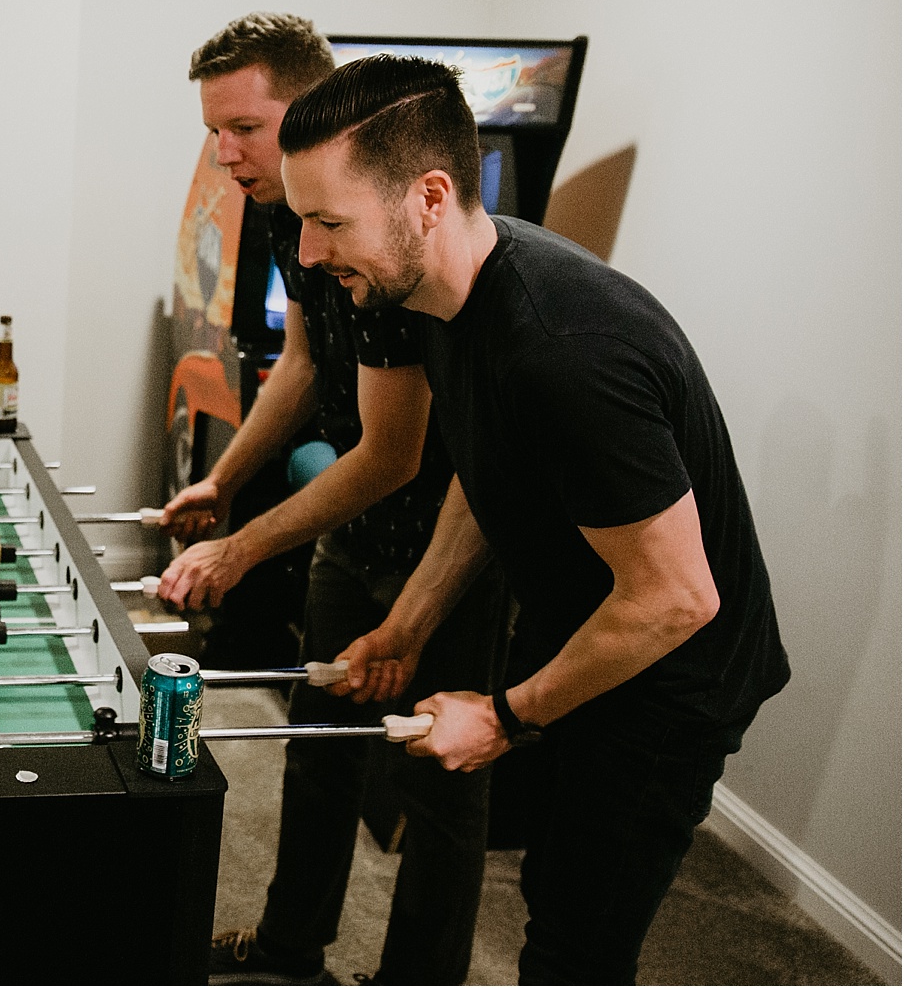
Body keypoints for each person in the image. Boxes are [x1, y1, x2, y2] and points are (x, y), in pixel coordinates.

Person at [276, 54, 790, 984]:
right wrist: (411, 621)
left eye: (330, 222)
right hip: (594, 627)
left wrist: (505, 715)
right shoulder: (443, 294)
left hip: (673, 680)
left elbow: (677, 598)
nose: (309, 253)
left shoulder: (563, 348)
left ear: (429, 197)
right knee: (551, 884)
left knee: (572, 949)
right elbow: (491, 477)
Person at [157, 14, 506, 986]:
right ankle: (288, 950)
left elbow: (394, 455)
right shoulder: (284, 216)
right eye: (212, 130)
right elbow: (305, 364)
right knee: (317, 744)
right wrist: (222, 484)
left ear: (309, 113)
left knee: (436, 779)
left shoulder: (377, 240)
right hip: (354, 530)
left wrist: (241, 548)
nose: (224, 153)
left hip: (450, 536)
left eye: (244, 127)